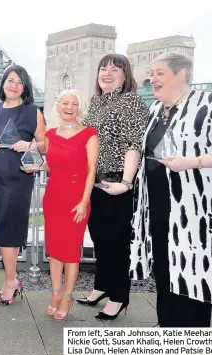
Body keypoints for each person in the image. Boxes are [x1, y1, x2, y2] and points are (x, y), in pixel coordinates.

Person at [130, 52, 212, 327]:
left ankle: (192, 331)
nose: (152, 79)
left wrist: (193, 162)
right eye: (151, 73)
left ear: (182, 74)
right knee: (165, 266)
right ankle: (167, 324)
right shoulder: (155, 110)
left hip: (196, 210)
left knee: (195, 268)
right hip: (158, 205)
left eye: (159, 72)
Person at [76, 54, 149, 320]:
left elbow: (134, 145)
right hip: (94, 181)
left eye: (115, 69)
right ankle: (102, 287)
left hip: (118, 182)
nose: (107, 72)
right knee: (99, 238)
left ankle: (118, 296)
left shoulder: (131, 101)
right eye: (103, 67)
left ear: (125, 74)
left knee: (116, 242)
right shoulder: (96, 102)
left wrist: (126, 183)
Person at [0, 64, 46, 306]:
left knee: (10, 228)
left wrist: (29, 145)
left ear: (24, 87)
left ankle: (11, 282)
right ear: (3, 84)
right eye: (10, 80)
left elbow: (45, 144)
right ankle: (9, 280)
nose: (14, 85)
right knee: (2, 227)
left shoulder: (33, 112)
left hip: (19, 177)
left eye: (19, 82)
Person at [43, 89, 99, 320]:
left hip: (76, 198)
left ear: (79, 108)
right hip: (53, 195)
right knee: (55, 250)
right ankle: (55, 293)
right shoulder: (50, 134)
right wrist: (35, 167)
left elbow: (91, 170)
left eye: (74, 104)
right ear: (58, 106)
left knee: (70, 251)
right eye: (65, 102)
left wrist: (84, 202)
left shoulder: (89, 134)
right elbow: (52, 165)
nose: (69, 107)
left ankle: (68, 296)